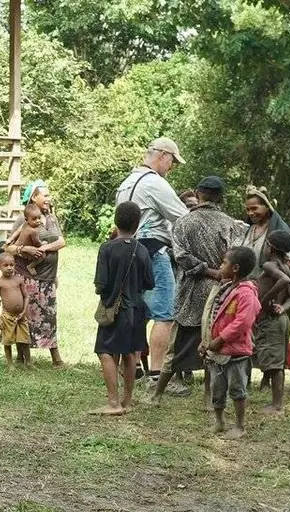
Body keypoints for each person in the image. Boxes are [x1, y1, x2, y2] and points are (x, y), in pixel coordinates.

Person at [151, 176, 241, 406]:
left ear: (199, 194)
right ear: (220, 196)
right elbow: (236, 256)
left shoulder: (183, 222)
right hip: (219, 291)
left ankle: (157, 395)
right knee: (212, 344)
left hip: (189, 292)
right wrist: (218, 273)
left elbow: (180, 256)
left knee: (176, 345)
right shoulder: (230, 224)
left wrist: (206, 270)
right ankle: (208, 398)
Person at [115, 138, 188, 388]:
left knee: (137, 312)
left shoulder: (127, 182)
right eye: (172, 161)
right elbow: (182, 217)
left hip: (127, 250)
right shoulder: (155, 183)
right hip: (153, 251)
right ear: (163, 155)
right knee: (165, 314)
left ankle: (133, 366)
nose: (172, 167)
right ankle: (157, 374)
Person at [93, 201, 154, 415]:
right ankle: (127, 401)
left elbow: (101, 284)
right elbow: (149, 282)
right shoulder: (142, 249)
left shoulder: (107, 248)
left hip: (115, 308)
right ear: (137, 224)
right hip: (137, 309)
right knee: (129, 353)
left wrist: (106, 294)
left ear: (116, 221)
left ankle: (113, 403)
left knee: (105, 352)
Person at [3, 180, 67, 367]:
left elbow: (61, 242)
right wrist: (25, 249)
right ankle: (22, 356)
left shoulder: (52, 219)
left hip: (47, 278)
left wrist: (44, 248)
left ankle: (55, 357)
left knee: (49, 317)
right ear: (34, 198)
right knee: (26, 317)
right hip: (27, 277)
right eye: (45, 195)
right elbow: (8, 247)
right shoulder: (22, 221)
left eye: (49, 195)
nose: (49, 198)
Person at [200, 246, 260, 440]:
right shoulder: (227, 288)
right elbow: (212, 317)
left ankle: (240, 426)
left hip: (235, 351)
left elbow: (243, 321)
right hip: (218, 351)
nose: (220, 265)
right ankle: (220, 421)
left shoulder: (246, 293)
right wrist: (206, 341)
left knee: (237, 389)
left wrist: (221, 338)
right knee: (217, 388)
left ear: (235, 268)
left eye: (224, 262)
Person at [253, 230, 290, 412]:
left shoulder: (269, 265)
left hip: (270, 320)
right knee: (277, 362)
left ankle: (277, 404)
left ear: (270, 247)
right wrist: (283, 307)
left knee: (274, 364)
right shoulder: (285, 266)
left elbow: (284, 281)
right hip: (281, 318)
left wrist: (265, 299)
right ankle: (276, 401)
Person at [239, 186, 290, 274]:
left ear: (267, 207)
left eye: (254, 208)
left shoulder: (279, 229)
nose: (250, 213)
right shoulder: (251, 229)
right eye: (248, 209)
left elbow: (287, 260)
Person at [0, 252, 30, 366]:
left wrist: (24, 311)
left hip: (21, 316)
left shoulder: (19, 280)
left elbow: (26, 296)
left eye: (11, 265)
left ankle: (28, 362)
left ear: (15, 265)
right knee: (7, 340)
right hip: (8, 316)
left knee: (25, 340)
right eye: (6, 265)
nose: (9, 268)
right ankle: (10, 364)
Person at [6, 203, 44, 275]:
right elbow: (37, 243)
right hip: (24, 251)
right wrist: (43, 244)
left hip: (17, 246)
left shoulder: (24, 224)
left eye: (39, 218)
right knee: (43, 255)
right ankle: (31, 266)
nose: (38, 221)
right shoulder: (34, 231)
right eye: (34, 219)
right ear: (26, 220)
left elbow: (17, 232)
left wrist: (10, 239)